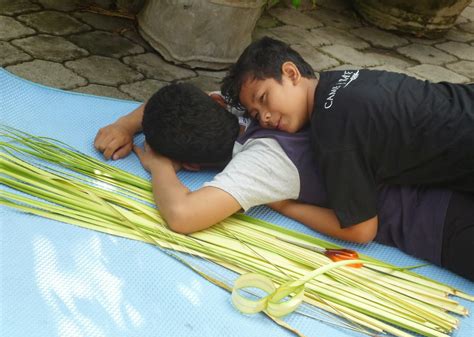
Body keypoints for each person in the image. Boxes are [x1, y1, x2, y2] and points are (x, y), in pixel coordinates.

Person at [95, 83, 473, 280]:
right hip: (446, 164)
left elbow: (181, 215)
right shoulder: (259, 101)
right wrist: (125, 123)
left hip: (437, 223)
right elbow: (176, 99)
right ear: (217, 101)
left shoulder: (263, 161)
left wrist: (160, 166)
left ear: (192, 166)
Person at [220, 36, 474, 236]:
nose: (263, 117)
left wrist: (287, 207)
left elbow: (361, 229)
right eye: (255, 114)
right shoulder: (340, 79)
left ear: (291, 73)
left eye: (264, 98)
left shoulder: (332, 131)